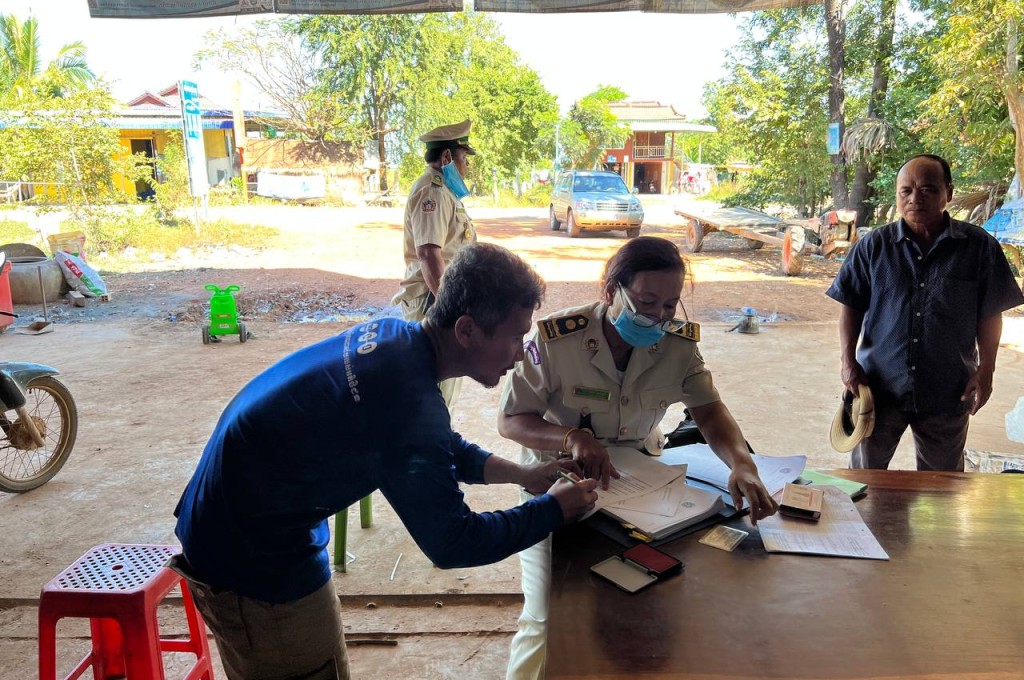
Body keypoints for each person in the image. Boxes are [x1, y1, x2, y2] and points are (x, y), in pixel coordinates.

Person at [173, 243, 599, 680]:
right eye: (514, 337)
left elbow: (434, 444)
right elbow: (453, 542)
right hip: (249, 557)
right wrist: (552, 510)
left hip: (246, 517)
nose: (519, 353)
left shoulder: (399, 339)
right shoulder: (404, 400)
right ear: (467, 330)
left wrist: (524, 474)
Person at [498, 236, 779, 680]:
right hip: (558, 486)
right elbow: (512, 419)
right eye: (647, 301)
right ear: (612, 290)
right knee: (548, 614)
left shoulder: (677, 345)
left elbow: (709, 410)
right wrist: (570, 436)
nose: (659, 316)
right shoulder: (556, 339)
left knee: (642, 602)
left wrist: (742, 463)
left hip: (643, 490)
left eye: (670, 304)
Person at [826, 154, 1024, 471]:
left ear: (949, 192)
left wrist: (986, 369)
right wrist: (847, 361)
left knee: (942, 483)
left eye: (928, 189)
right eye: (906, 190)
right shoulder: (874, 246)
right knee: (865, 478)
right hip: (879, 388)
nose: (915, 198)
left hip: (948, 390)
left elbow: (990, 314)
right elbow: (851, 305)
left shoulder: (978, 247)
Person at [392, 119, 478, 406]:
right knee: (434, 395)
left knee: (443, 390)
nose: (466, 166)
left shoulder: (445, 192)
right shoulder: (433, 191)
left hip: (441, 297)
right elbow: (429, 254)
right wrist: (448, 309)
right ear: (447, 157)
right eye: (464, 157)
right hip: (433, 301)